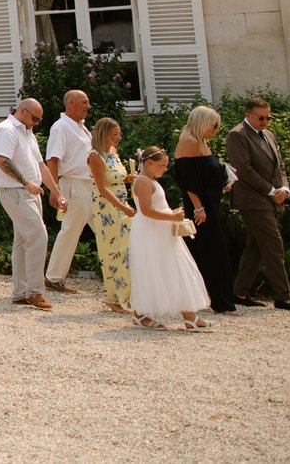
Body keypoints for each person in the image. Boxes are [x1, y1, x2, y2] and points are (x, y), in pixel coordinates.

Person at [226, 97, 290, 311]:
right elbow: (243, 170)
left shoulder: (269, 135)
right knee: (274, 245)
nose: (265, 121)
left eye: (268, 117)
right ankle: (283, 297)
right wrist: (271, 191)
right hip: (252, 200)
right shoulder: (237, 135)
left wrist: (284, 188)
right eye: (261, 118)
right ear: (248, 115)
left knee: (255, 247)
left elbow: (279, 166)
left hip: (270, 198)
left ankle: (239, 291)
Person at [0, 98, 65, 310]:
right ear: (22, 111)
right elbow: (2, 160)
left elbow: (41, 165)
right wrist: (25, 182)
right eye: (34, 118)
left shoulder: (27, 131)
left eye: (39, 120)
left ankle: (20, 292)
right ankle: (35, 292)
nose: (37, 123)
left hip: (28, 193)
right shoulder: (7, 130)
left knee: (23, 242)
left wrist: (57, 193)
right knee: (38, 235)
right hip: (15, 192)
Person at [129, 146, 212, 330]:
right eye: (162, 165)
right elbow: (146, 211)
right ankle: (141, 314)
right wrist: (171, 217)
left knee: (175, 268)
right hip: (150, 231)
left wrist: (170, 213)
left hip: (160, 231)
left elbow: (156, 206)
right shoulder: (143, 182)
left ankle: (189, 316)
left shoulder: (150, 181)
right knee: (156, 269)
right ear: (149, 163)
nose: (165, 169)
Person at [174, 105, 237, 313]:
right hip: (202, 209)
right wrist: (198, 207)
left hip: (210, 204)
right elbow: (187, 179)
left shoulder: (201, 142)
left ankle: (216, 299)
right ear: (203, 122)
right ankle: (217, 301)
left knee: (212, 252)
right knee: (211, 252)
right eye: (214, 125)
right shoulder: (189, 142)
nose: (216, 129)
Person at [43, 89, 93, 295]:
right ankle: (53, 277)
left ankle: (121, 273)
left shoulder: (82, 127)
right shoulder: (61, 127)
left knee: (106, 228)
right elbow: (52, 160)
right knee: (70, 230)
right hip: (73, 184)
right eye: (84, 102)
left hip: (89, 185)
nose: (88, 106)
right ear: (70, 104)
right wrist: (55, 191)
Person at [85, 117, 135, 313]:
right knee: (112, 249)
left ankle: (127, 293)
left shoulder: (113, 152)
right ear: (104, 134)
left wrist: (128, 178)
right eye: (115, 134)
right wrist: (122, 208)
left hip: (122, 202)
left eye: (119, 134)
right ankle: (112, 297)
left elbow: (116, 177)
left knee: (127, 249)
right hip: (107, 207)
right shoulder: (95, 156)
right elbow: (102, 187)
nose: (119, 138)